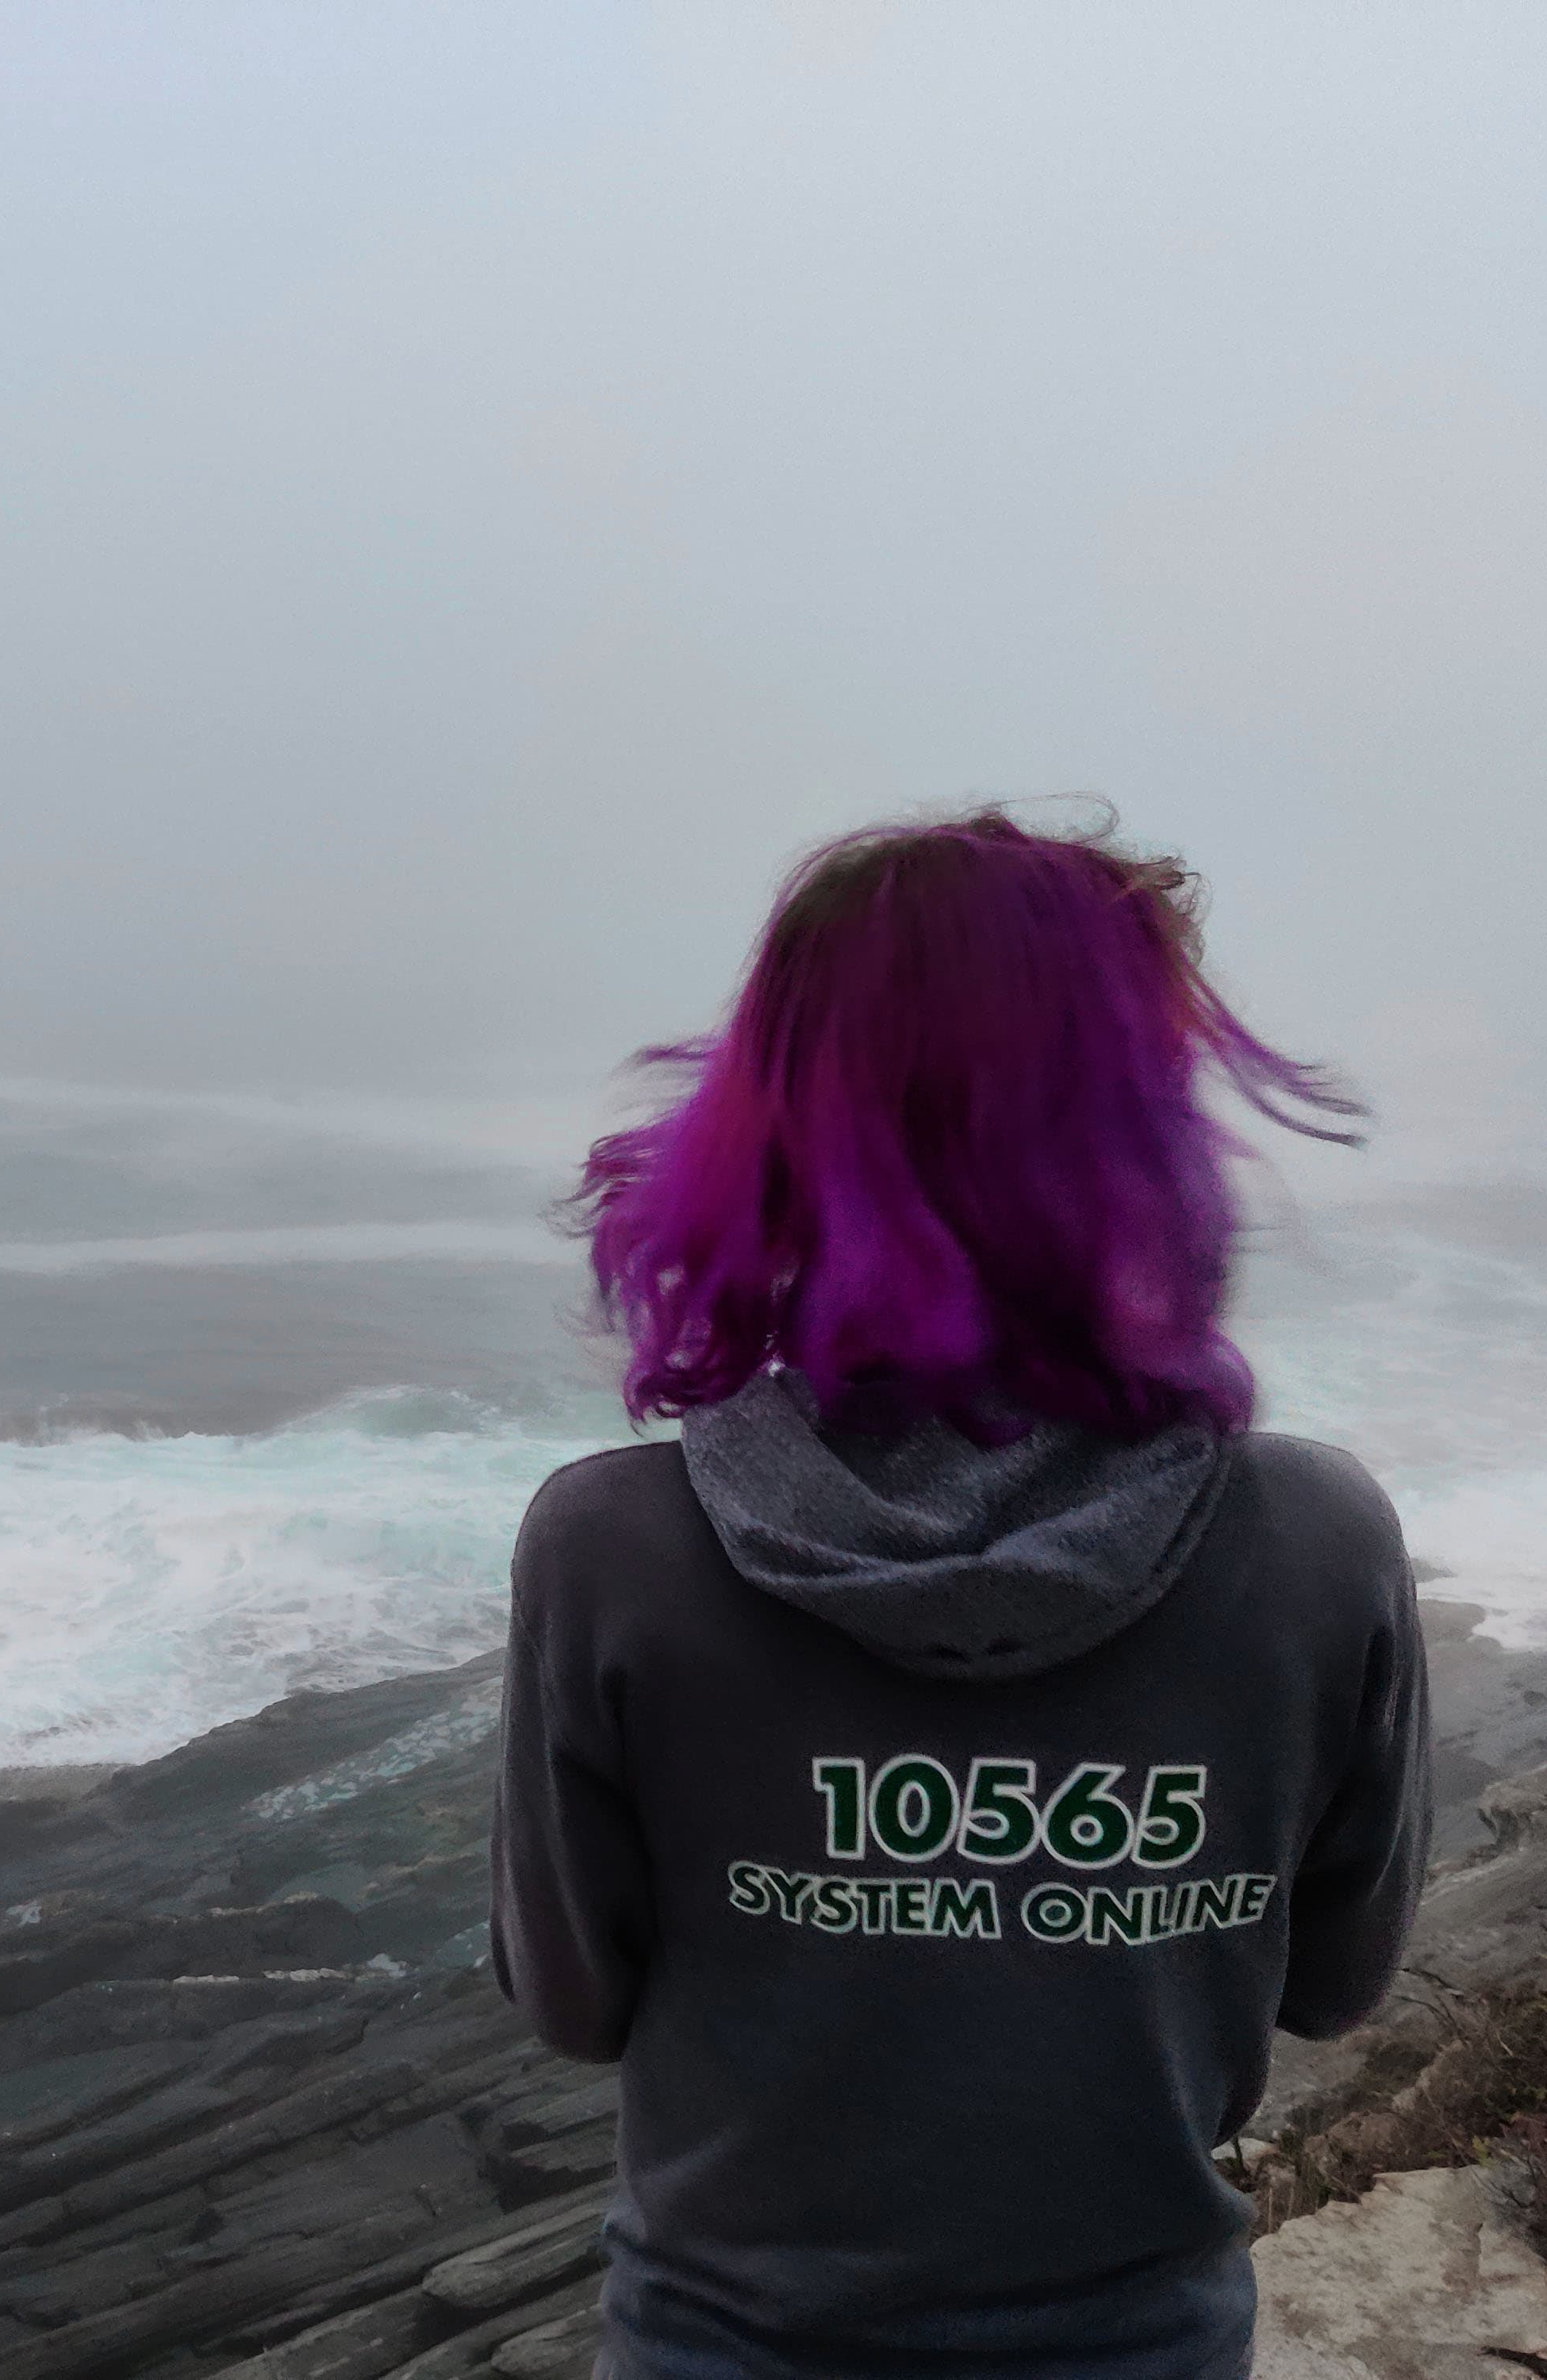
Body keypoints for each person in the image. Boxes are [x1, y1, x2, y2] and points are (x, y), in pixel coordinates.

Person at [490, 808, 1431, 2380]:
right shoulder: (1318, 1541)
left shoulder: (614, 1547)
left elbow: (576, 2002)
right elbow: (1335, 1986)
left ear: (780, 1115)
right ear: (1140, 1131)